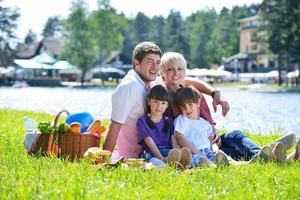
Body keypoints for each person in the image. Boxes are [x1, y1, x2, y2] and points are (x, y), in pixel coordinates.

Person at [160, 51, 296, 162]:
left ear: (185, 71)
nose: (176, 73)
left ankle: (261, 153)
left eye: (180, 69)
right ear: (162, 72)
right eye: (170, 69)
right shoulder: (162, 95)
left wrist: (215, 94)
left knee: (235, 135)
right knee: (231, 153)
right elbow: (176, 134)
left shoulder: (186, 86)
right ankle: (269, 156)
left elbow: (195, 82)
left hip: (207, 139)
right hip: (195, 146)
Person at [103, 41, 229, 159]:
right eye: (149, 62)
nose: (155, 67)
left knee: (232, 139)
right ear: (137, 63)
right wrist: (105, 159)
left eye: (158, 62)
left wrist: (214, 93)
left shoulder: (151, 82)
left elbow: (186, 80)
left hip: (159, 147)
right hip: (137, 154)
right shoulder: (129, 86)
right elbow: (115, 125)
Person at [136, 85, 192, 168]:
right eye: (155, 101)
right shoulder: (142, 121)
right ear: (149, 101)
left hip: (168, 153)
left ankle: (179, 164)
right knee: (157, 163)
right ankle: (171, 166)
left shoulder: (169, 121)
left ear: (167, 105)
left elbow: (174, 142)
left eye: (163, 103)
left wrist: (178, 153)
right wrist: (162, 158)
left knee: (178, 156)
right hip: (151, 154)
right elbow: (151, 145)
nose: (159, 106)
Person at [173, 87, 230, 166]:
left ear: (197, 103)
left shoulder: (205, 124)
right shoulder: (182, 120)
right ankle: (213, 166)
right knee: (201, 160)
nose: (187, 109)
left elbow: (211, 141)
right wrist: (198, 152)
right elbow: (179, 137)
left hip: (207, 151)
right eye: (183, 106)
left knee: (221, 155)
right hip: (192, 153)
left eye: (190, 104)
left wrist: (216, 150)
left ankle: (235, 163)